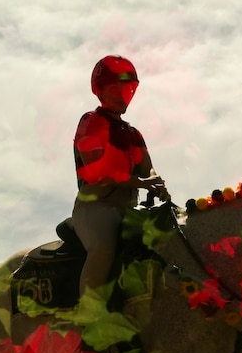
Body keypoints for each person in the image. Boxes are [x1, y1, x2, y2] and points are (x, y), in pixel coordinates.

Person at [72, 55, 169, 299]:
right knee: (104, 249)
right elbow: (96, 172)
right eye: (117, 88)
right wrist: (140, 182)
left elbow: (147, 168)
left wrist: (157, 184)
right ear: (101, 91)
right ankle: (88, 314)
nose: (124, 94)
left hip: (128, 209)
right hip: (95, 208)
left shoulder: (133, 134)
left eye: (128, 89)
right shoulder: (91, 122)